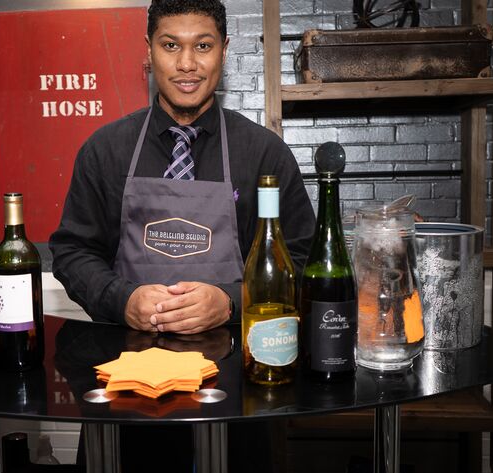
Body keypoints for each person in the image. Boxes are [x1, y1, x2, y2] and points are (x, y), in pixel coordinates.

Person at [49, 1, 315, 471]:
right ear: (148, 50)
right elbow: (73, 252)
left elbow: (300, 259)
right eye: (171, 45)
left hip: (239, 387)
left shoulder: (264, 155)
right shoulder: (105, 151)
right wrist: (122, 299)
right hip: (127, 391)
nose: (187, 64)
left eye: (203, 46)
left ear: (224, 51)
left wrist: (231, 301)